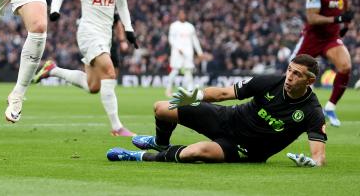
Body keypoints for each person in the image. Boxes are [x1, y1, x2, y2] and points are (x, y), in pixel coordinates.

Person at [107, 54, 326, 166]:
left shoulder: (312, 111)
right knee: (162, 108)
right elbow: (223, 94)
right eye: (289, 70)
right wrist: (195, 96)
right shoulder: (270, 82)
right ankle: (161, 142)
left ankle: (141, 156)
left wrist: (312, 164)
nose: (290, 77)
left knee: (195, 152)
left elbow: (319, 156)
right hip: (228, 118)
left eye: (297, 74)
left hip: (243, 149)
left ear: (310, 80)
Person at [33, 0, 139, 136]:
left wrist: (129, 29)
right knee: (109, 71)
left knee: (93, 87)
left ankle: (52, 70)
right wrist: (55, 10)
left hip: (105, 36)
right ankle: (117, 127)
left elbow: (122, 5)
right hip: (88, 32)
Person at [290, 0, 353, 126]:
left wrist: (345, 23)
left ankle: (330, 108)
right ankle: (284, 110)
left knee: (345, 66)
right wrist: (337, 19)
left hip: (331, 38)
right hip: (312, 38)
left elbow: (344, 7)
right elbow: (312, 18)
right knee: (293, 76)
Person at [166, 10, 204, 97]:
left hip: (188, 52)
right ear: (178, 15)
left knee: (188, 71)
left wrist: (200, 52)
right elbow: (171, 39)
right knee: (175, 71)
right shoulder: (174, 26)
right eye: (181, 14)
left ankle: (190, 91)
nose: (182, 15)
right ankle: (168, 89)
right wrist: (177, 48)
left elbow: (195, 40)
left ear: (186, 15)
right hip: (177, 52)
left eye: (184, 14)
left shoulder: (190, 26)